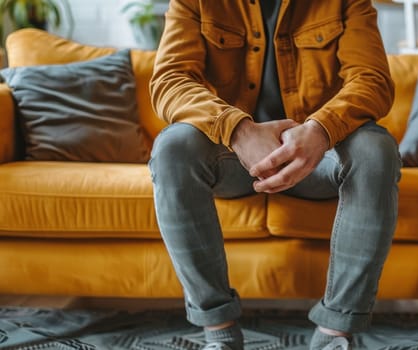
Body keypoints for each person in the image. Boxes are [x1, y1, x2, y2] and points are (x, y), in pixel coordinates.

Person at [148, 1, 401, 349]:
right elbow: (170, 80)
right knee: (173, 147)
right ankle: (219, 331)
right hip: (233, 160)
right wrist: (238, 130)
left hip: (319, 159)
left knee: (376, 148)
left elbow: (372, 80)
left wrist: (320, 129)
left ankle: (334, 334)